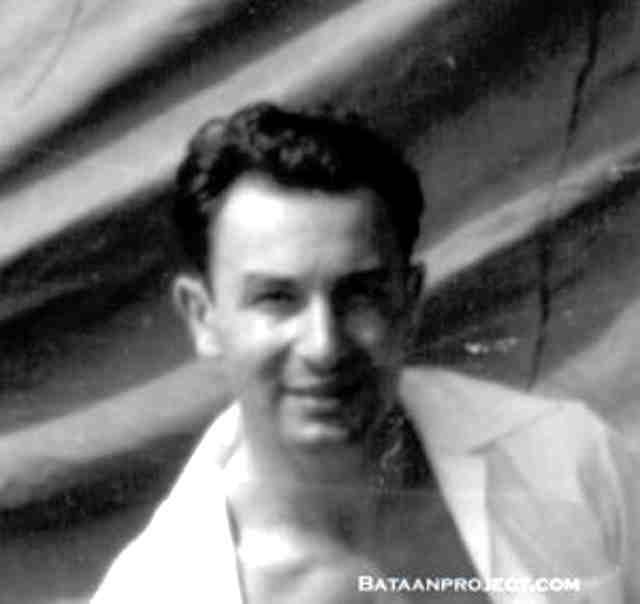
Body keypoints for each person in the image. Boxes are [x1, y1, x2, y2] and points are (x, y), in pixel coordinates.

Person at [91, 102, 640, 603]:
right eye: (277, 298)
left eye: (359, 295)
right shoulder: (155, 592)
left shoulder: (567, 456)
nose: (324, 346)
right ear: (203, 317)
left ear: (409, 301)